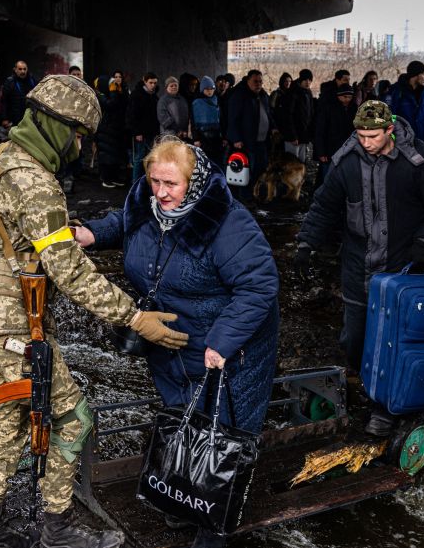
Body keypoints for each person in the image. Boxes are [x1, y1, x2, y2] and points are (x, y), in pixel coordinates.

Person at [0, 75, 186, 548]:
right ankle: (55, 530)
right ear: (57, 126)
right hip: (8, 319)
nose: (79, 146)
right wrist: (135, 318)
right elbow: (70, 273)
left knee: (12, 417)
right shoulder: (34, 182)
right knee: (74, 417)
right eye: (77, 135)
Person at [77, 136, 279, 548]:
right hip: (169, 343)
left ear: (196, 180)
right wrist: (92, 234)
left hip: (228, 350)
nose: (161, 193)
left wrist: (222, 341)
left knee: (220, 437)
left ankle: (212, 527)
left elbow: (259, 287)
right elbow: (125, 223)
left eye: (172, 184)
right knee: (181, 423)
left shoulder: (226, 222)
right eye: (155, 181)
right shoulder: (146, 203)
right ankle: (182, 500)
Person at [294, 101, 424, 437]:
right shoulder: (346, 162)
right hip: (358, 267)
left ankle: (384, 409)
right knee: (355, 338)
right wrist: (306, 244)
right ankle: (364, 385)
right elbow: (324, 205)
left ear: (389, 131)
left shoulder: (417, 160)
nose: (366, 141)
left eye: (372, 135)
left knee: (394, 341)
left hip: (402, 269)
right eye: (361, 135)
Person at [226, 70, 276, 200]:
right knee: (246, 171)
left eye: (260, 81)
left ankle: (252, 195)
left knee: (260, 169)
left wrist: (273, 128)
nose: (258, 84)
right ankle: (244, 199)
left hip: (262, 142)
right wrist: (236, 138)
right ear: (247, 80)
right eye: (255, 81)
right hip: (246, 142)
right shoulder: (239, 95)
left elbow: (268, 114)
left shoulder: (263, 95)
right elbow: (232, 118)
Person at [313, 84, 357, 185]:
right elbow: (320, 131)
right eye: (345, 97)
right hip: (329, 150)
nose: (347, 99)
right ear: (338, 96)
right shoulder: (328, 108)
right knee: (328, 177)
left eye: (350, 97)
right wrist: (321, 152)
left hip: (347, 149)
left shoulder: (354, 108)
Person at [93, 75, 130, 188]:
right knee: (106, 155)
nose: (113, 87)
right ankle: (105, 178)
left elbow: (124, 102)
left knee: (115, 155)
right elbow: (111, 105)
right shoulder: (100, 96)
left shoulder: (110, 95)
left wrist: (120, 90)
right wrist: (114, 92)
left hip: (114, 129)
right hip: (105, 130)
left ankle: (114, 177)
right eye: (111, 85)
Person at [127, 72, 161, 181]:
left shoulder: (154, 95)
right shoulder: (137, 95)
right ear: (144, 81)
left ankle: (147, 182)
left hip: (152, 132)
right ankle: (135, 183)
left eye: (155, 83)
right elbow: (132, 115)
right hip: (141, 133)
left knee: (151, 158)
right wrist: (137, 132)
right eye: (150, 83)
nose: (153, 85)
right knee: (139, 158)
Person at [191, 75, 222, 168]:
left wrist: (223, 136)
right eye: (207, 89)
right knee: (204, 164)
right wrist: (196, 139)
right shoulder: (196, 102)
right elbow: (193, 122)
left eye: (212, 88)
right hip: (203, 138)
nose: (209, 91)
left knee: (217, 163)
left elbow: (221, 119)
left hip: (216, 137)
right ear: (202, 89)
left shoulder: (217, 100)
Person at [1, 60, 38, 129]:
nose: (23, 71)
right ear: (15, 70)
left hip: (30, 116)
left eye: (24, 69)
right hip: (15, 118)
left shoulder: (32, 80)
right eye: (20, 69)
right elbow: (4, 101)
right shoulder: (10, 82)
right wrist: (4, 118)